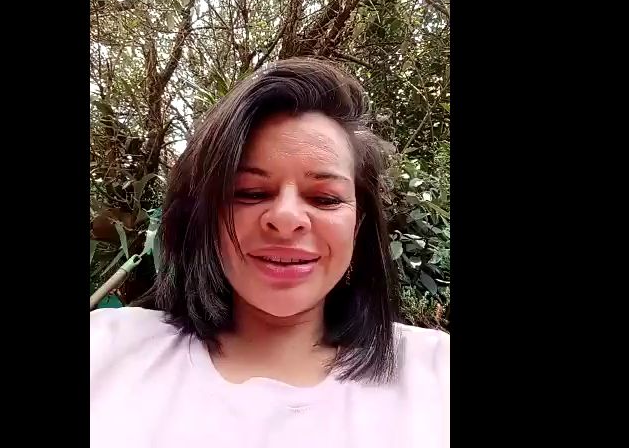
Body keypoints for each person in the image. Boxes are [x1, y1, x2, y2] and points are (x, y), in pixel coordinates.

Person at [90, 58, 449, 448]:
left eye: (325, 198)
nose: (286, 218)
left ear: (358, 225)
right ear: (206, 218)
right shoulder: (107, 350)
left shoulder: (436, 376)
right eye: (250, 193)